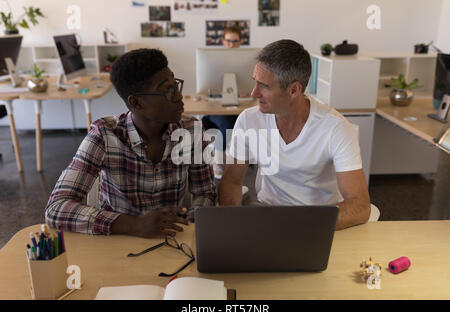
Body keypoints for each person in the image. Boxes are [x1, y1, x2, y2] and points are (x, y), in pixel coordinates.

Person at [45, 48, 216, 238]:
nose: (178, 96)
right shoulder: (104, 134)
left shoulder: (191, 130)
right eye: (167, 91)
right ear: (136, 103)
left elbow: (205, 192)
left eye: (175, 85)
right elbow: (56, 208)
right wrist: (134, 225)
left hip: (171, 238)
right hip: (119, 241)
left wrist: (190, 222)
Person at [219, 39, 370, 230]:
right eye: (255, 82)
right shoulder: (248, 120)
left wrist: (297, 225)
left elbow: (360, 205)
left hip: (317, 222)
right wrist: (230, 225)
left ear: (294, 90)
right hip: (268, 215)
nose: (253, 92)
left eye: (264, 86)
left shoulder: (336, 128)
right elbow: (232, 180)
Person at [202, 26, 242, 179]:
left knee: (245, 121)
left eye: (235, 41)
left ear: (240, 42)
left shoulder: (247, 60)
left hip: (239, 105)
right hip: (216, 107)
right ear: (223, 41)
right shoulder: (214, 60)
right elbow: (206, 87)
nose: (232, 44)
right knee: (228, 122)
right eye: (229, 41)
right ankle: (217, 163)